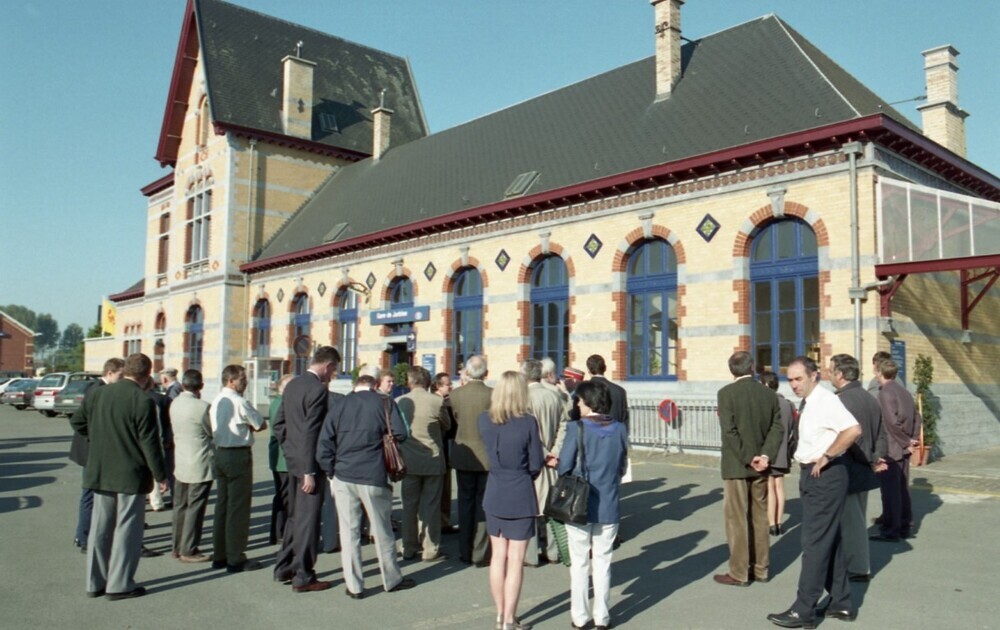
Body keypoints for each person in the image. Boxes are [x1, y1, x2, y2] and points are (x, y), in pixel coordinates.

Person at [767, 356, 862, 628]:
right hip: (813, 474)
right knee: (830, 539)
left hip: (825, 476)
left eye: (799, 379)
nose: (794, 384)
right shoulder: (810, 402)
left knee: (814, 543)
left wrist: (828, 455)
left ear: (814, 376)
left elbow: (853, 429)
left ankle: (803, 609)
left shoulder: (826, 401)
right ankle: (841, 602)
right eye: (790, 380)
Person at [70, 353, 167, 600]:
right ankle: (119, 584)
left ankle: (95, 582)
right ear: (146, 375)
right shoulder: (142, 400)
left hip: (101, 470)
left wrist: (97, 438)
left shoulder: (99, 394)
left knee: (99, 528)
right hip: (130, 473)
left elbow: (78, 422)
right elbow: (150, 443)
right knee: (127, 530)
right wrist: (160, 475)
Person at [317, 366, 415, 597]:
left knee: (349, 532)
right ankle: (391, 579)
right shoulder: (384, 403)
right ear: (375, 384)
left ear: (355, 385)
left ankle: (354, 585)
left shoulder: (340, 405)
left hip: (343, 474)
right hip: (374, 473)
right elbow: (401, 433)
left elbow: (324, 443)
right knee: (382, 529)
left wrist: (331, 471)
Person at [557, 381, 629, 630]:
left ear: (588, 402)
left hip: (580, 502)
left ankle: (579, 616)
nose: (577, 404)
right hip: (609, 501)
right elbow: (622, 466)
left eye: (578, 400)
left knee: (579, 562)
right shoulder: (620, 429)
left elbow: (564, 466)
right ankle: (602, 616)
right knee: (603, 561)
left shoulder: (576, 427)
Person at [478, 371, 544, 630]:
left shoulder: (484, 419)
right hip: (520, 491)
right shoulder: (528, 422)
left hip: (495, 489)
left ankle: (499, 614)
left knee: (497, 556)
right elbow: (536, 463)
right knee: (516, 559)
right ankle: (509, 619)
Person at [273, 346, 341, 592]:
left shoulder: (292, 385)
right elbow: (312, 432)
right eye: (333, 370)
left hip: (293, 462)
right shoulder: (317, 389)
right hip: (308, 466)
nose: (332, 375)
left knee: (295, 517)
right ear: (328, 365)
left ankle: (285, 566)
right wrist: (309, 471)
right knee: (308, 520)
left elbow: (279, 424)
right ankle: (303, 575)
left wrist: (290, 451)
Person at [714, 351, 783, 587]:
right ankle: (761, 568)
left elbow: (729, 431)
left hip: (736, 464)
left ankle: (739, 571)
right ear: (752, 367)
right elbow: (777, 428)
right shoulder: (768, 394)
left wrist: (748, 457)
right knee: (760, 517)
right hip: (761, 464)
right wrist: (764, 455)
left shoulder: (726, 394)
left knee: (736, 519)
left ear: (731, 370)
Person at [830, 354, 887, 581]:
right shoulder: (868, 397)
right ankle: (853, 564)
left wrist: (870, 459)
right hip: (864, 467)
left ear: (840, 374)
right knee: (856, 518)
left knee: (852, 523)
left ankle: (858, 568)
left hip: (850, 467)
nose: (829, 375)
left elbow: (853, 438)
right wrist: (876, 457)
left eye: (831, 371)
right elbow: (881, 433)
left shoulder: (842, 400)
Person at [209, 364, 266, 573]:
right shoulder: (240, 401)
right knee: (238, 508)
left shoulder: (216, 401)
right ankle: (235, 556)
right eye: (242, 379)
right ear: (231, 380)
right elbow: (260, 423)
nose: (246, 382)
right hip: (237, 453)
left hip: (220, 452)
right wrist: (248, 426)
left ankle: (220, 553)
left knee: (222, 506)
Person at [69, 357, 124, 554]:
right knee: (90, 495)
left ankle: (84, 535)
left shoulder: (98, 389)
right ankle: (84, 537)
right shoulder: (98, 391)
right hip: (91, 451)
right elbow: (81, 421)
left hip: (92, 450)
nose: (122, 379)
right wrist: (94, 438)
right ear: (110, 373)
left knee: (92, 494)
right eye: (120, 375)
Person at [397, 366, 451, 561]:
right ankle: (430, 548)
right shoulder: (436, 401)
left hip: (408, 460)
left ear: (409, 382)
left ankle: (409, 545)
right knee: (431, 506)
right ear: (428, 382)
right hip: (432, 460)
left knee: (409, 506)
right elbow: (447, 425)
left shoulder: (399, 402)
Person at [521, 358, 566, 565]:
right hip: (551, 460)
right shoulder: (554, 395)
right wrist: (555, 451)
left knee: (530, 506)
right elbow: (564, 425)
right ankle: (554, 552)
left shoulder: (523, 398)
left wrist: (546, 453)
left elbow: (527, 433)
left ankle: (530, 555)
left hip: (532, 459)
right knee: (551, 505)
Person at [449, 354, 493, 566]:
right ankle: (480, 551)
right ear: (485, 373)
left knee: (465, 502)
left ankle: (465, 550)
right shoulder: (492, 394)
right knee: (483, 503)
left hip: (464, 454)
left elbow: (455, 419)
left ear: (467, 372)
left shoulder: (456, 394)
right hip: (486, 454)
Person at [872, 358, 920, 542]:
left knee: (890, 491)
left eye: (876, 371)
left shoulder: (885, 393)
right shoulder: (903, 391)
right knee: (902, 489)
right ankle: (905, 525)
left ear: (880, 373)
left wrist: (906, 441)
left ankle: (891, 529)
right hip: (903, 447)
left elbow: (891, 422)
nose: (875, 374)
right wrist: (912, 438)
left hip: (892, 448)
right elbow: (917, 417)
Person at [170, 369, 213, 563]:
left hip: (180, 460)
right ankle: (189, 549)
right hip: (199, 461)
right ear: (201, 386)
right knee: (195, 507)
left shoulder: (175, 403)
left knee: (180, 505)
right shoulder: (203, 407)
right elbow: (211, 431)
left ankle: (177, 545)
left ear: (182, 384)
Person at [759, 371, 796, 536]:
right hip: (784, 448)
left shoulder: (767, 403)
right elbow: (793, 426)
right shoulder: (788, 404)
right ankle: (779, 522)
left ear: (765, 384)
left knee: (769, 486)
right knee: (779, 486)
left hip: (770, 448)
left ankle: (772, 523)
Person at [267, 374, 295, 545]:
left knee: (283, 495)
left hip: (280, 456)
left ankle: (278, 531)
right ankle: (279, 531)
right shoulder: (280, 404)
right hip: (282, 458)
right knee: (284, 496)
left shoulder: (279, 402)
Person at [432, 371, 458, 534]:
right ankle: (440, 521)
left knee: (446, 488)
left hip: (447, 448)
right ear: (438, 386)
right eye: (448, 384)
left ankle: (444, 521)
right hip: (439, 448)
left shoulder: (449, 401)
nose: (451, 387)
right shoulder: (437, 403)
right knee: (438, 488)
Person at [585, 355, 630, 433]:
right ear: (605, 368)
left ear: (588, 370)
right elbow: (624, 419)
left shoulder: (584, 390)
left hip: (592, 436)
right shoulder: (620, 391)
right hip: (615, 435)